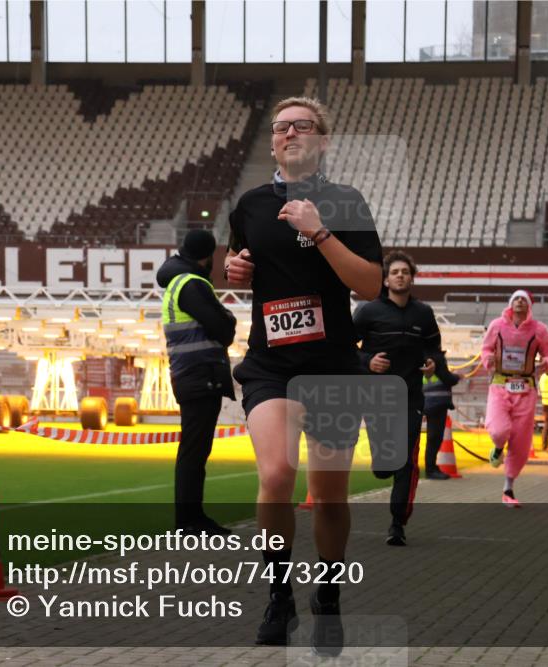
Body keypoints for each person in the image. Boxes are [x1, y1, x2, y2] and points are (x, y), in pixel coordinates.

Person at [223, 96, 382, 654]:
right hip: (269, 364)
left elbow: (368, 286)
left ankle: (329, 594)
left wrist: (320, 232)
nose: (290, 134)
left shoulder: (346, 202)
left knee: (330, 495)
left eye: (302, 126)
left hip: (332, 366)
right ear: (272, 141)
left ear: (322, 139)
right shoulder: (249, 205)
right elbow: (244, 266)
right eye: (281, 127)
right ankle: (278, 595)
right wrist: (236, 269)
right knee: (275, 475)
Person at [354, 251, 454, 547]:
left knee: (407, 460)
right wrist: (368, 361)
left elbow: (434, 349)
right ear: (385, 279)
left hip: (411, 397)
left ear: (412, 278)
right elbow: (345, 348)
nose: (400, 275)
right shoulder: (368, 311)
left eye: (405, 272)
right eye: (395, 272)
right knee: (385, 465)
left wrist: (432, 363)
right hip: (376, 397)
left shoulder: (423, 313)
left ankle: (398, 523)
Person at [158, 230, 237, 535]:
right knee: (194, 451)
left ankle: (190, 518)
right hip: (200, 375)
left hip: (189, 374)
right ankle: (189, 521)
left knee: (194, 449)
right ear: (207, 256)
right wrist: (226, 317)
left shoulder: (177, 282)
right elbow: (224, 330)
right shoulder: (193, 284)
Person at [480, 290, 548, 507]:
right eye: (516, 298)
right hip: (500, 384)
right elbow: (485, 349)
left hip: (526, 388)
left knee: (521, 441)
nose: (520, 302)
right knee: (499, 430)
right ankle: (497, 447)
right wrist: (489, 360)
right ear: (510, 304)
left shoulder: (539, 330)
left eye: (524, 299)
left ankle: (508, 487)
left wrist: (547, 364)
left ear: (529, 306)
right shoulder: (497, 325)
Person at [422, 355, 461, 479]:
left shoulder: (423, 355)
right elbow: (449, 379)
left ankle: (430, 468)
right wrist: (457, 376)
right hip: (437, 402)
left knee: (432, 438)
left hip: (428, 402)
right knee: (434, 438)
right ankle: (431, 469)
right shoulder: (437, 358)